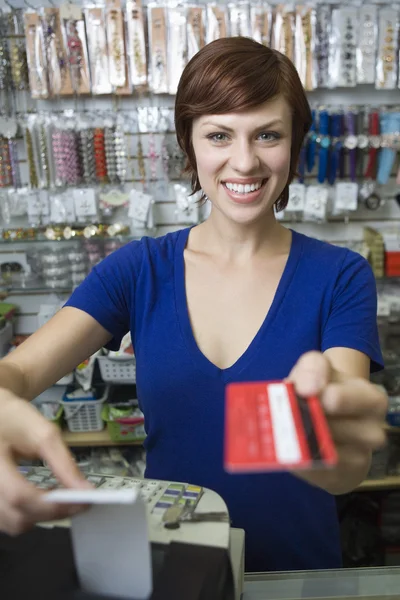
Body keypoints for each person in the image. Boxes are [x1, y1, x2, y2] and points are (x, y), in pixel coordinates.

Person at [0, 37, 387, 573]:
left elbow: (345, 457)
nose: (245, 160)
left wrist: (337, 455)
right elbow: (17, 372)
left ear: (295, 143)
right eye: (220, 135)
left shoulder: (340, 276)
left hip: (298, 576)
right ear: (190, 144)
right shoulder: (138, 270)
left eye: (268, 134)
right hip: (173, 569)